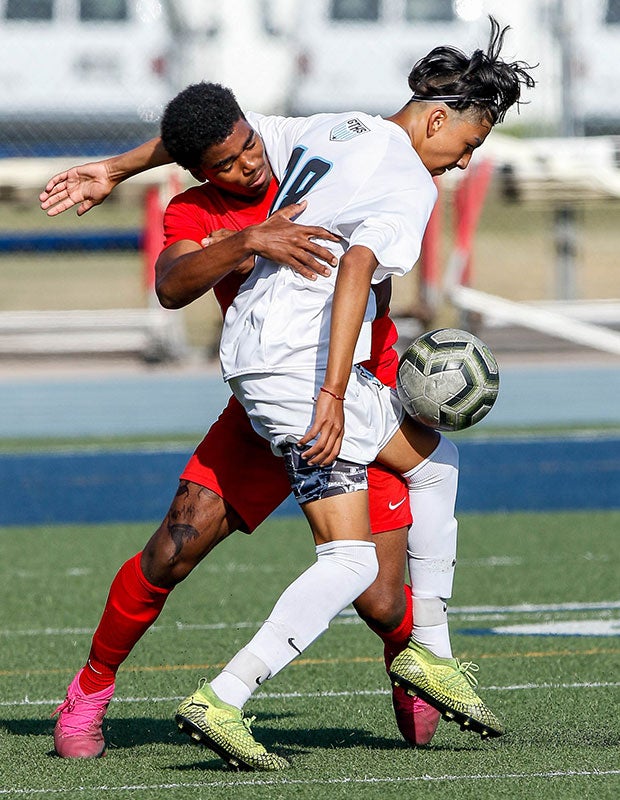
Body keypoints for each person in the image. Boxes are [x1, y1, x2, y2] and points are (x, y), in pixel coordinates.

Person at [165, 17, 534, 770]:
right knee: (365, 549)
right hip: (298, 368)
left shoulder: (337, 126)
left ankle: (418, 654)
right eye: (465, 147)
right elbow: (360, 267)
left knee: (422, 474)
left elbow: (195, 129)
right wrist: (334, 392)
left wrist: (114, 165)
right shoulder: (408, 179)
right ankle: (238, 694)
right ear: (438, 120)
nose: (461, 165)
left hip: (265, 354)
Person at [41, 91, 440, 760]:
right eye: (226, 163)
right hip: (267, 412)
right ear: (199, 170)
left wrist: (114, 165)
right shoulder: (194, 211)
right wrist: (249, 241)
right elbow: (170, 286)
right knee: (171, 550)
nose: (250, 165)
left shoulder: (308, 156)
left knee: (377, 599)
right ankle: (89, 690)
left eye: (250, 143)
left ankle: (413, 660)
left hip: (359, 400)